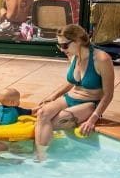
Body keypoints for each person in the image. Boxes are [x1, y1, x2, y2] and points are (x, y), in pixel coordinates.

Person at [34, 24, 115, 161]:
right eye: (59, 46)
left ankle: (47, 156)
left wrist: (92, 120)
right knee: (42, 114)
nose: (61, 49)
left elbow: (108, 94)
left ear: (78, 40)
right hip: (70, 98)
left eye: (64, 45)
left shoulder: (101, 59)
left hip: (89, 104)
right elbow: (72, 81)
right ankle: (40, 157)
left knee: (55, 122)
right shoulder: (73, 55)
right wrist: (53, 97)